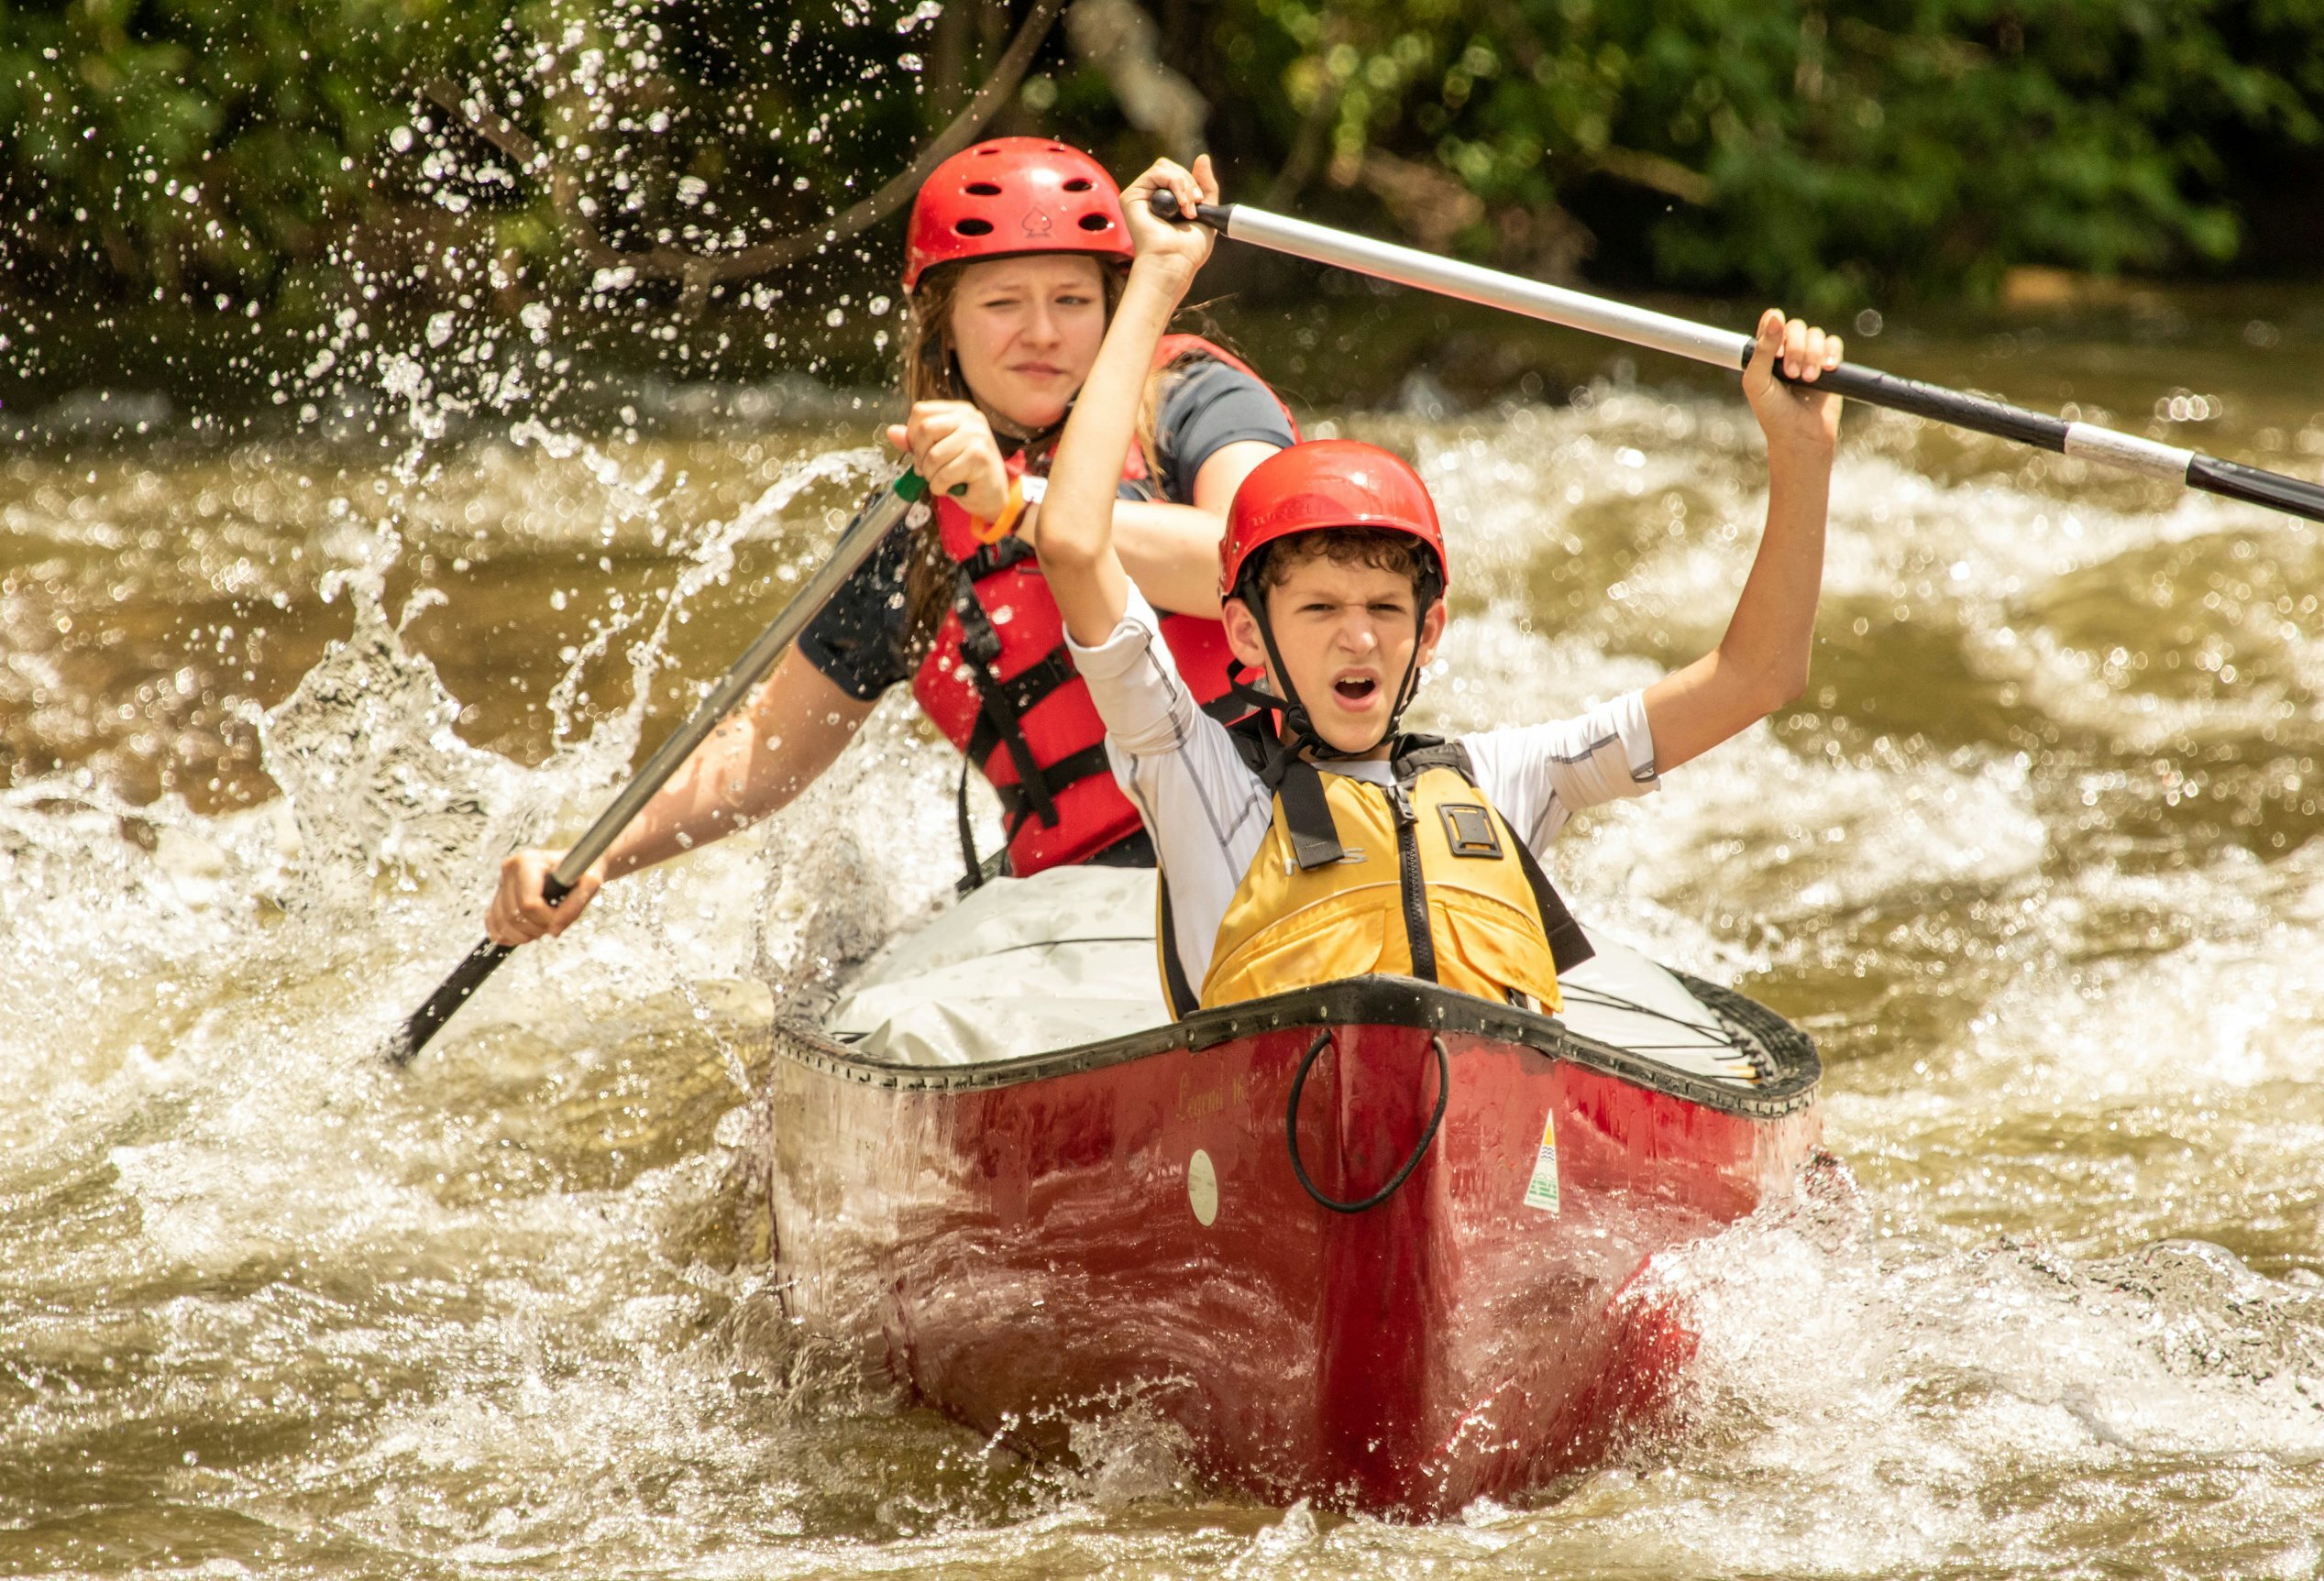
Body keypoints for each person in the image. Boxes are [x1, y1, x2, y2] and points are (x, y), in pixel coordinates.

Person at [1034, 157, 1845, 1016]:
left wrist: (1802, 457)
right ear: (1243, 633)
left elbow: (1757, 678)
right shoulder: (1193, 775)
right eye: (1317, 609)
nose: (1359, 637)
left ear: (1428, 633)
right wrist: (1155, 279)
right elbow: (1073, 545)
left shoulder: (1507, 780)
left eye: (1386, 610)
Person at [485, 139, 1295, 948]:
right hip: (1076, 908)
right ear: (943, 326)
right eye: (1003, 302)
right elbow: (764, 754)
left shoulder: (1195, 402)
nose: (1042, 332)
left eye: (1074, 302)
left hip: (1265, 835)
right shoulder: (905, 534)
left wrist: (1014, 503)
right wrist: (591, 855)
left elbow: (1264, 564)